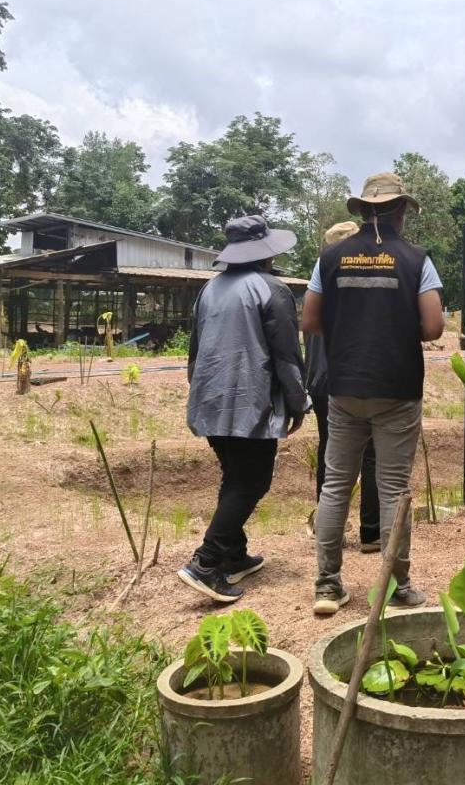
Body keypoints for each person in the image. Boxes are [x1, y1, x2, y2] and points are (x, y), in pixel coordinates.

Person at [301, 172, 445, 615]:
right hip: (397, 388)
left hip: (344, 388)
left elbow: (308, 321)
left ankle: (327, 585)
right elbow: (435, 326)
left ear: (363, 210)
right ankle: (396, 587)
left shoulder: (331, 257)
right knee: (393, 487)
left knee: (336, 485)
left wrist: (347, 335)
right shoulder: (417, 259)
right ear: (400, 210)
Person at [178, 215, 307, 603]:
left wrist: (199, 390)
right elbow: (286, 356)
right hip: (249, 400)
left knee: (235, 475)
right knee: (253, 481)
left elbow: (195, 351)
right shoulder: (272, 290)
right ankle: (206, 561)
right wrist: (299, 402)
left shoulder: (209, 289)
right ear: (265, 253)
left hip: (209, 398)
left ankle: (234, 555)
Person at [304, 220, 380, 553]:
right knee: (372, 454)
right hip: (353, 378)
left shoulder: (318, 280)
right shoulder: (358, 280)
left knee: (330, 454)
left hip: (320, 381)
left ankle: (327, 531)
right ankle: (372, 531)